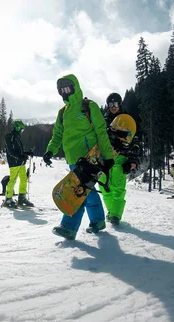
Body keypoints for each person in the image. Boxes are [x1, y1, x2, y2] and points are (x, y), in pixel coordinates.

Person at [43, 74, 114, 240]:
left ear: (75, 87)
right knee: (87, 191)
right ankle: (98, 221)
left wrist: (108, 156)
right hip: (73, 160)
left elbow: (101, 132)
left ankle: (68, 227)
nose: (65, 92)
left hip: (89, 158)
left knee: (77, 191)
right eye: (62, 90)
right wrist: (50, 151)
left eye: (68, 88)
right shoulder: (62, 113)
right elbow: (57, 135)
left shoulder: (89, 107)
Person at [98, 93, 141, 226]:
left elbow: (135, 142)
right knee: (104, 187)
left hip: (122, 157)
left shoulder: (127, 121)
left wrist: (132, 161)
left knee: (118, 187)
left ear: (120, 104)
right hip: (105, 158)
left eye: (115, 104)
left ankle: (115, 215)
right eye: (110, 104)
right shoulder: (103, 121)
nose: (113, 107)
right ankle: (111, 212)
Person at [3, 120, 34, 208]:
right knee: (13, 180)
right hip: (14, 162)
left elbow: (19, 151)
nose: (21, 131)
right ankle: (8, 198)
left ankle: (22, 197)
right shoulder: (10, 137)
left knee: (24, 179)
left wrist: (27, 153)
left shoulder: (16, 136)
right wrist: (20, 157)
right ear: (17, 127)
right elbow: (10, 151)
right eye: (21, 129)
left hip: (20, 162)